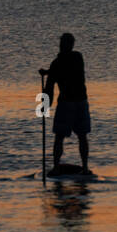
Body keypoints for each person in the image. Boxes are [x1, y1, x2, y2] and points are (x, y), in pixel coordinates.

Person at [39, 32, 91, 173]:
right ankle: (84, 167)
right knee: (81, 135)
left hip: (68, 103)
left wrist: (43, 109)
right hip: (80, 101)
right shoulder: (77, 58)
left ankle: (57, 167)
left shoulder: (58, 64)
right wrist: (49, 72)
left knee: (60, 137)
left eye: (63, 43)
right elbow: (63, 71)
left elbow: (50, 88)